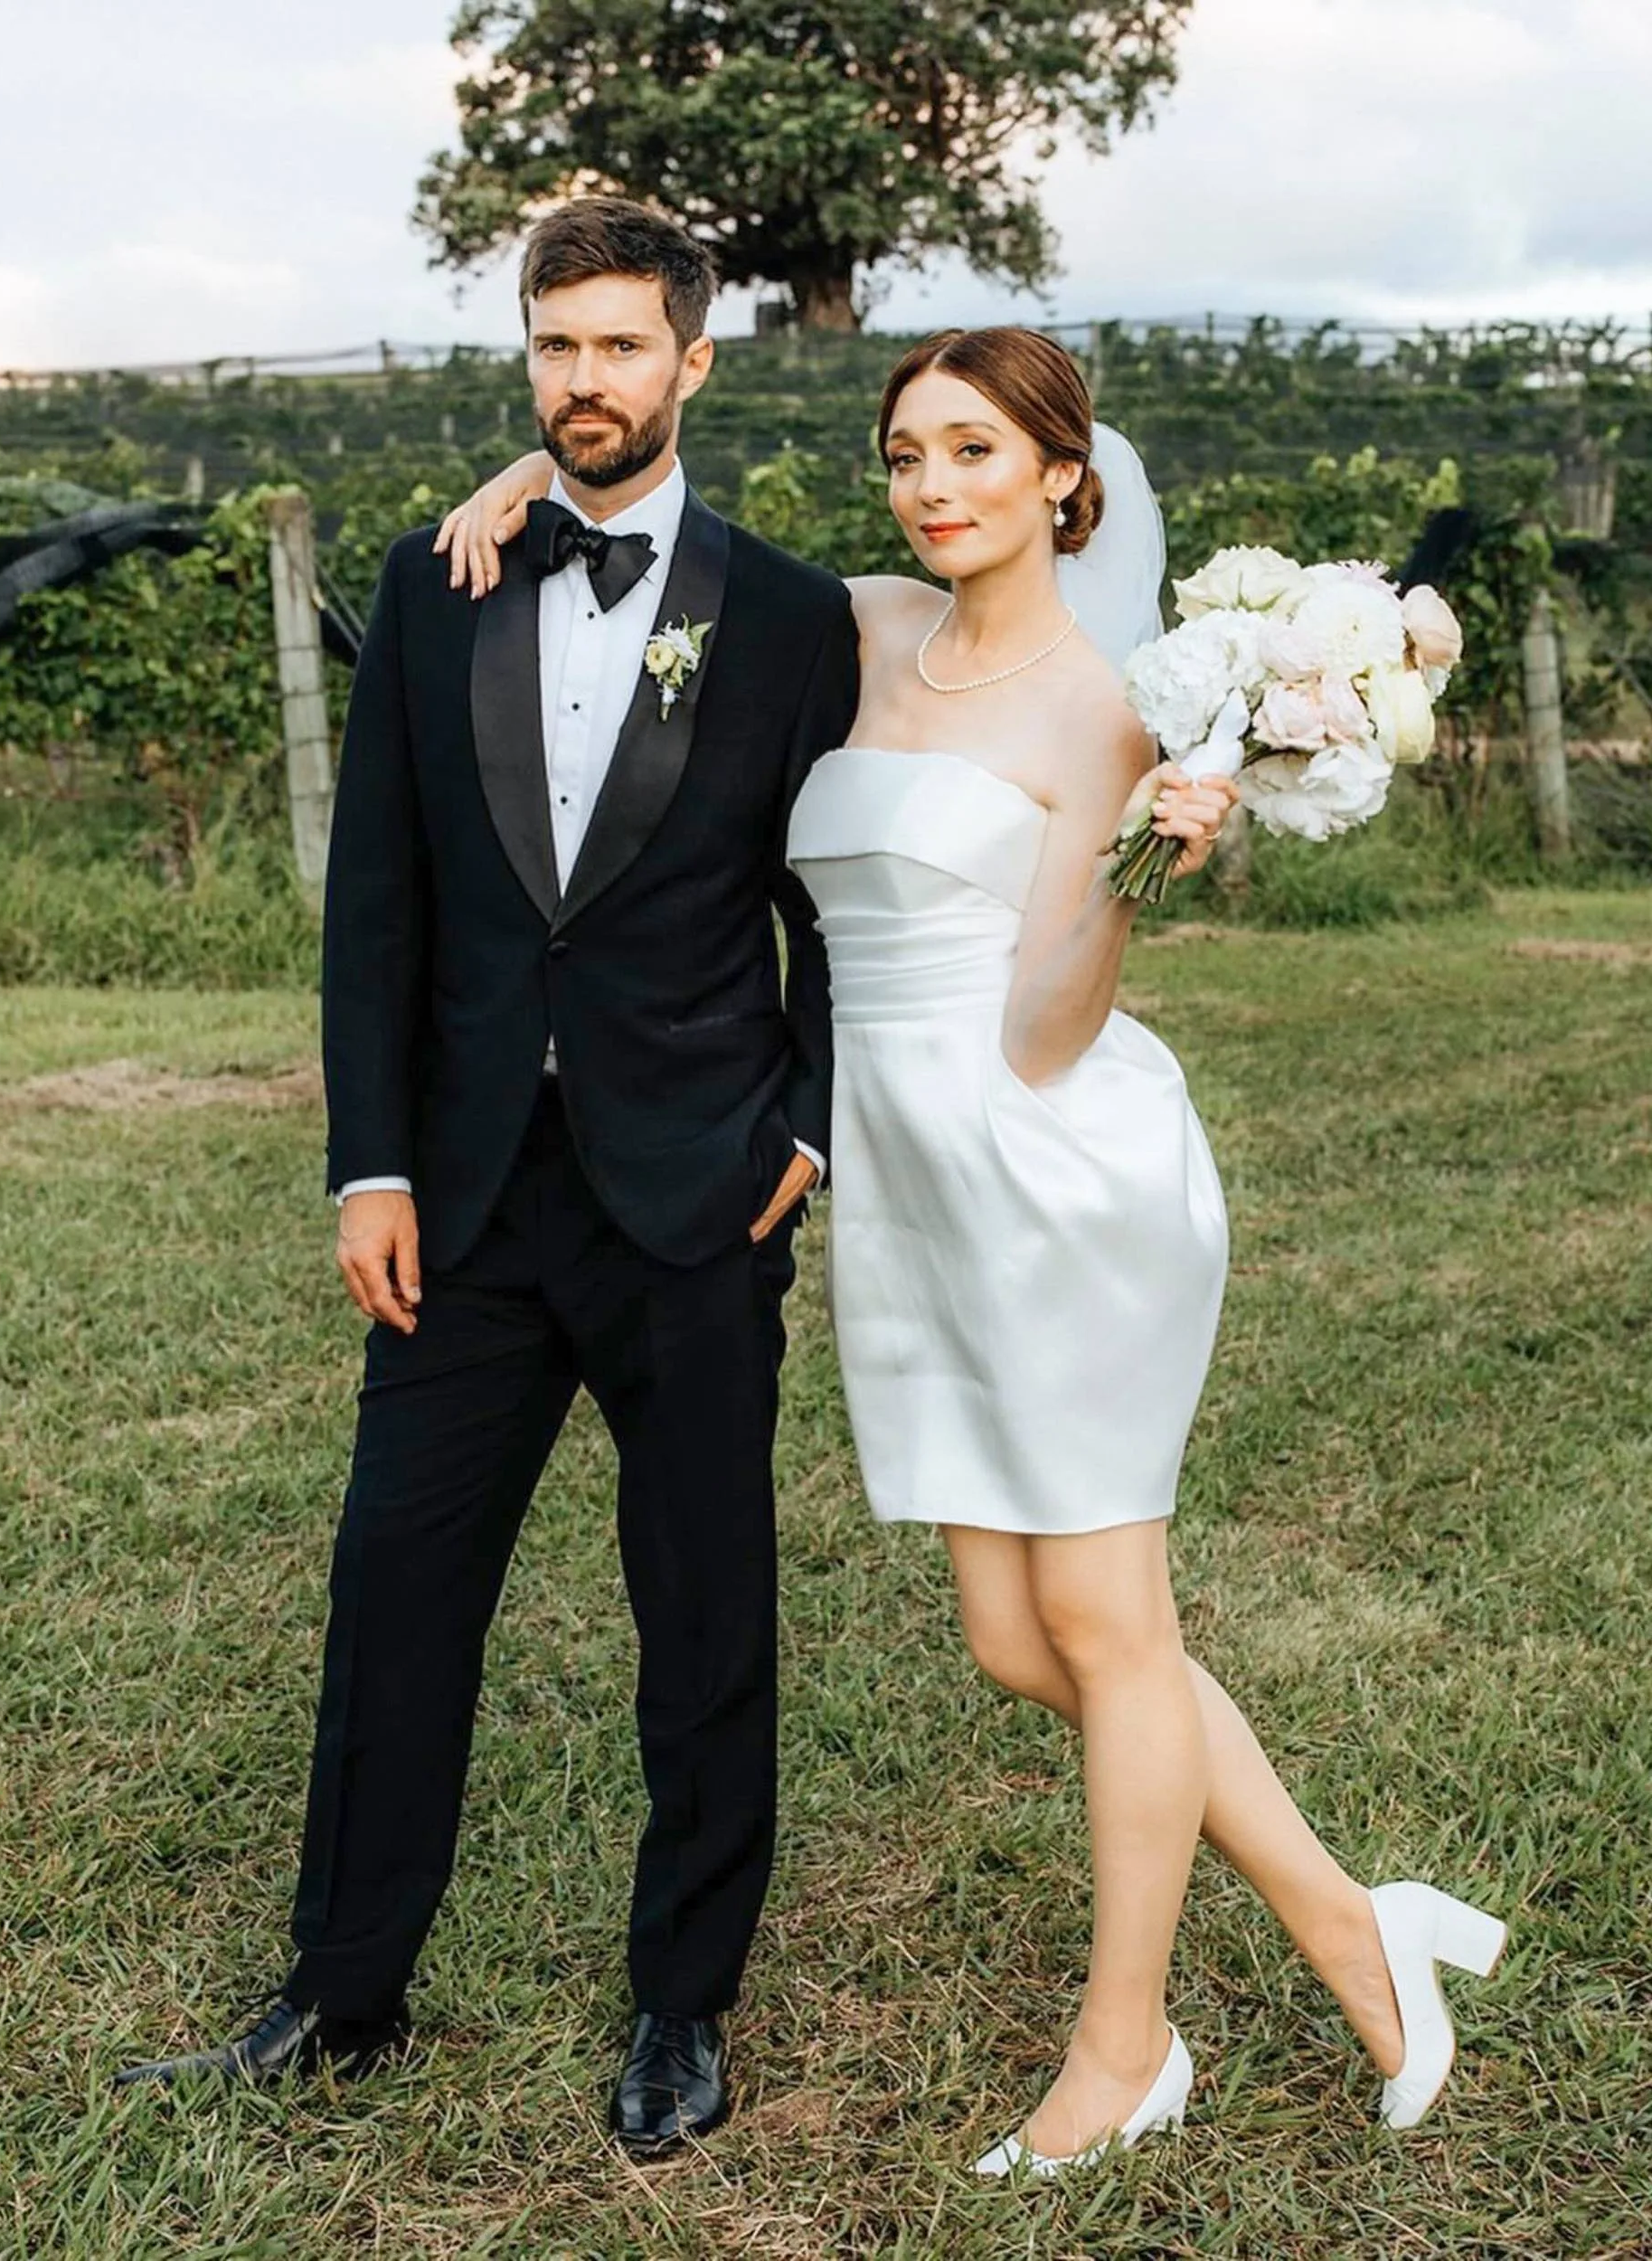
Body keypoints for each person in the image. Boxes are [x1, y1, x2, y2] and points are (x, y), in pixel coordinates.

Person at [439, 321, 1506, 2174]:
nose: (936, 486)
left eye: (976, 455)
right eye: (908, 454)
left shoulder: (1106, 711)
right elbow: (680, 544)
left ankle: (1127, 2042)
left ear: (1063, 480)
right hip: (908, 1181)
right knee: (1034, 1642)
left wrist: (1147, 862)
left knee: (1105, 1619)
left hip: (1055, 1165)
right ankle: (1358, 1922)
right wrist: (538, 474)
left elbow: (1044, 1026)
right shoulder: (864, 629)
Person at [115, 196, 858, 2158]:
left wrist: (809, 1126)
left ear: (695, 360)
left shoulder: (785, 616)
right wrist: (369, 1162)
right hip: (461, 1203)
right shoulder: (437, 576)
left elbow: (835, 904)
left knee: (703, 1612)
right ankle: (340, 1989)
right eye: (556, 349)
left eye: (622, 347)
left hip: (701, 1195)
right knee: (394, 1585)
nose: (585, 382)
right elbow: (380, 904)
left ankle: (682, 2002)